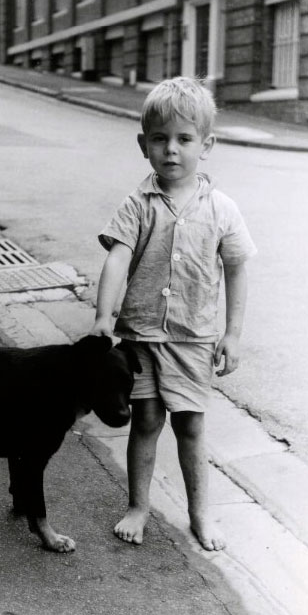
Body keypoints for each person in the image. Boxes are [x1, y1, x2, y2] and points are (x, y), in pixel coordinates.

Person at [91, 77, 256, 551]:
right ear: (144, 145)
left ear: (207, 145)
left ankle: (200, 513)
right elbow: (118, 257)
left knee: (191, 426)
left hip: (193, 338)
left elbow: (238, 267)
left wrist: (234, 333)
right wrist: (104, 315)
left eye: (184, 139)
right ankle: (139, 506)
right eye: (160, 139)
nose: (171, 150)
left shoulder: (221, 208)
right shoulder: (137, 204)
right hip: (141, 337)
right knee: (144, 422)